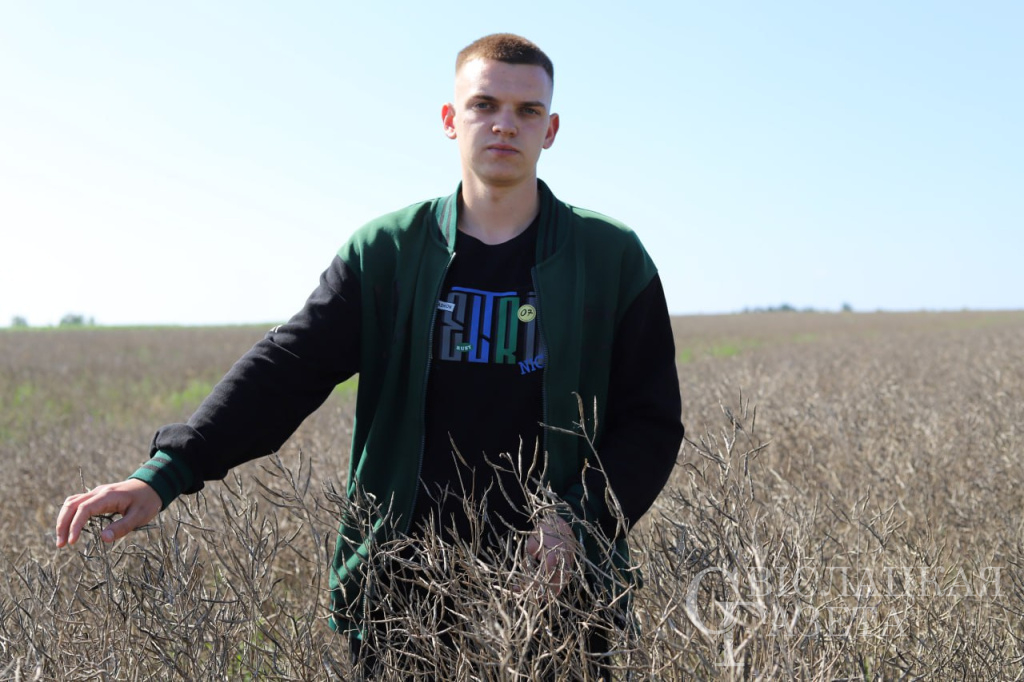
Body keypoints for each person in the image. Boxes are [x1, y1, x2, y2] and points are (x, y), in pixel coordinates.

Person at [55, 33, 684, 677]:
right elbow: (288, 369)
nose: (504, 124)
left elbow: (652, 420)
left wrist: (577, 522)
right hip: (403, 594)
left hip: (557, 592)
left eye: (527, 111)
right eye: (484, 104)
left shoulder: (609, 257)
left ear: (550, 130)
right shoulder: (387, 251)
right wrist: (164, 474)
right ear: (451, 119)